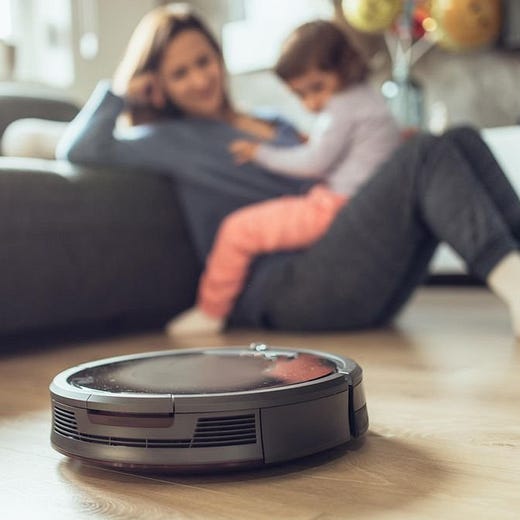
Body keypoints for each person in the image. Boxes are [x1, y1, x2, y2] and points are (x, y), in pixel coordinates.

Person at [57, 4, 520, 338]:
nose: (200, 78)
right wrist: (122, 90)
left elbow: (330, 176)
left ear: (218, 57)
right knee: (427, 153)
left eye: (204, 61)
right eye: (180, 74)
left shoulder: (273, 122)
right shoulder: (168, 140)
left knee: (459, 139)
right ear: (159, 83)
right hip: (289, 290)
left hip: (347, 260)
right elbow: (79, 148)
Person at [166, 20, 400, 335]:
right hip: (343, 205)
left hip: (332, 206)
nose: (311, 104)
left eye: (317, 88)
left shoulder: (342, 108)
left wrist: (260, 153)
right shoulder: (368, 100)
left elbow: (313, 162)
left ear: (343, 66)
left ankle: (211, 311)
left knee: (237, 229)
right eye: (300, 95)